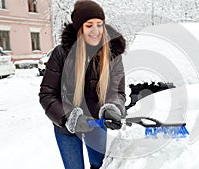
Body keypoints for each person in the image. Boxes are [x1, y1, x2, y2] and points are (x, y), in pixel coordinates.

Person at [39, 0, 126, 169]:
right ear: (79, 28)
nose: (96, 31)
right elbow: (47, 94)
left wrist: (113, 108)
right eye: (89, 25)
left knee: (99, 164)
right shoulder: (61, 53)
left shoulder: (112, 54)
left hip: (97, 123)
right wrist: (67, 118)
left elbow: (116, 91)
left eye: (99, 25)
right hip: (66, 125)